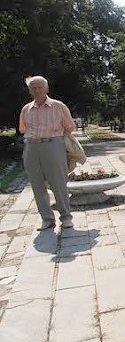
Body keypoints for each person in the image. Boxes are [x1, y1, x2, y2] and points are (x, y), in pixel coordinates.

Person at [19, 76, 76, 231]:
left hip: (53, 145)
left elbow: (69, 126)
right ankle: (47, 219)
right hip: (31, 147)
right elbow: (22, 129)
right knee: (37, 185)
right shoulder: (26, 109)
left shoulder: (58, 106)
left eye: (40, 87)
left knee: (58, 183)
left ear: (46, 89)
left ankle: (66, 217)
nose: (37, 90)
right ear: (30, 90)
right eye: (33, 88)